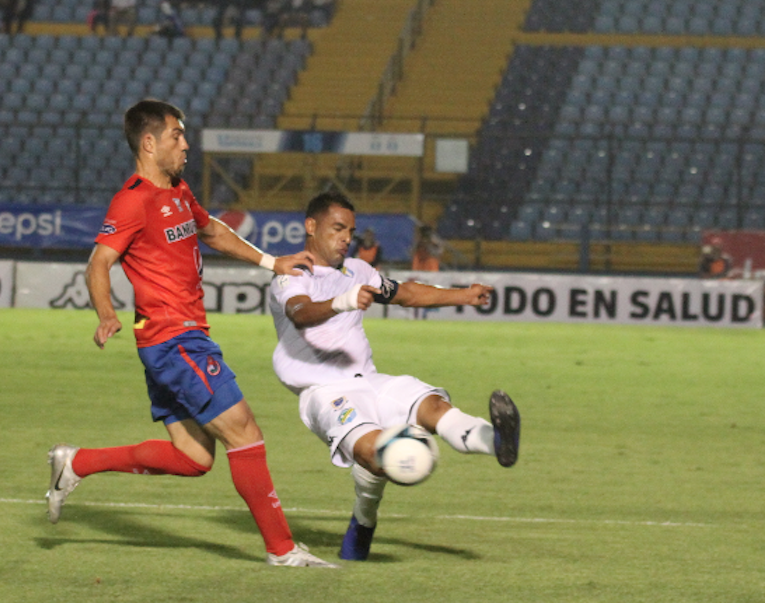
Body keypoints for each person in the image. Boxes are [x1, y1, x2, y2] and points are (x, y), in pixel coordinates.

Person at [45, 99, 337, 568]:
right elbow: (99, 261)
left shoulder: (177, 190)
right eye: (176, 135)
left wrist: (271, 261)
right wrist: (106, 313)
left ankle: (75, 463)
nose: (186, 143)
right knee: (244, 431)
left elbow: (212, 231)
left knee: (194, 458)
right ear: (149, 143)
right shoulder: (133, 199)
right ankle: (283, 550)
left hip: (177, 340)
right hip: (172, 339)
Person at [267, 191, 520, 561]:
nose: (345, 238)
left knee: (433, 406)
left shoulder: (358, 271)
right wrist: (344, 301)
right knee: (374, 452)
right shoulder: (292, 275)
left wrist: (464, 294)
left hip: (369, 380)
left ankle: (496, 441)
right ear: (311, 226)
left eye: (349, 231)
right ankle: (363, 522)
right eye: (337, 228)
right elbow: (301, 313)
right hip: (324, 392)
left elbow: (406, 294)